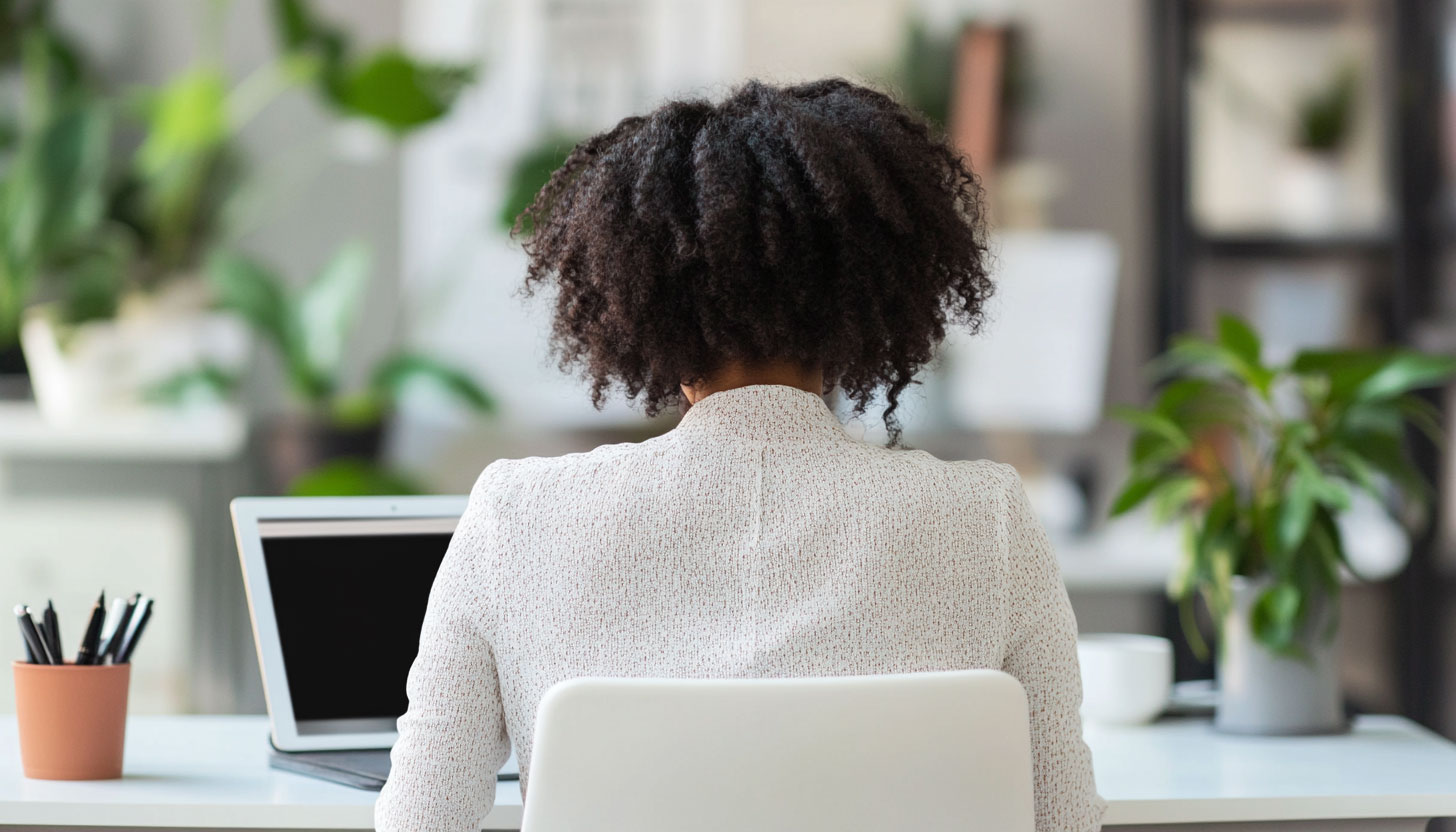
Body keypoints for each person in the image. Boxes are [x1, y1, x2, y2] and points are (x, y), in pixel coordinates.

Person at [375, 78, 1104, 832]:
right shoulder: (985, 520)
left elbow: (420, 821)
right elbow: (1064, 818)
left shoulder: (514, 518)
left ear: (636, 301)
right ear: (870, 297)